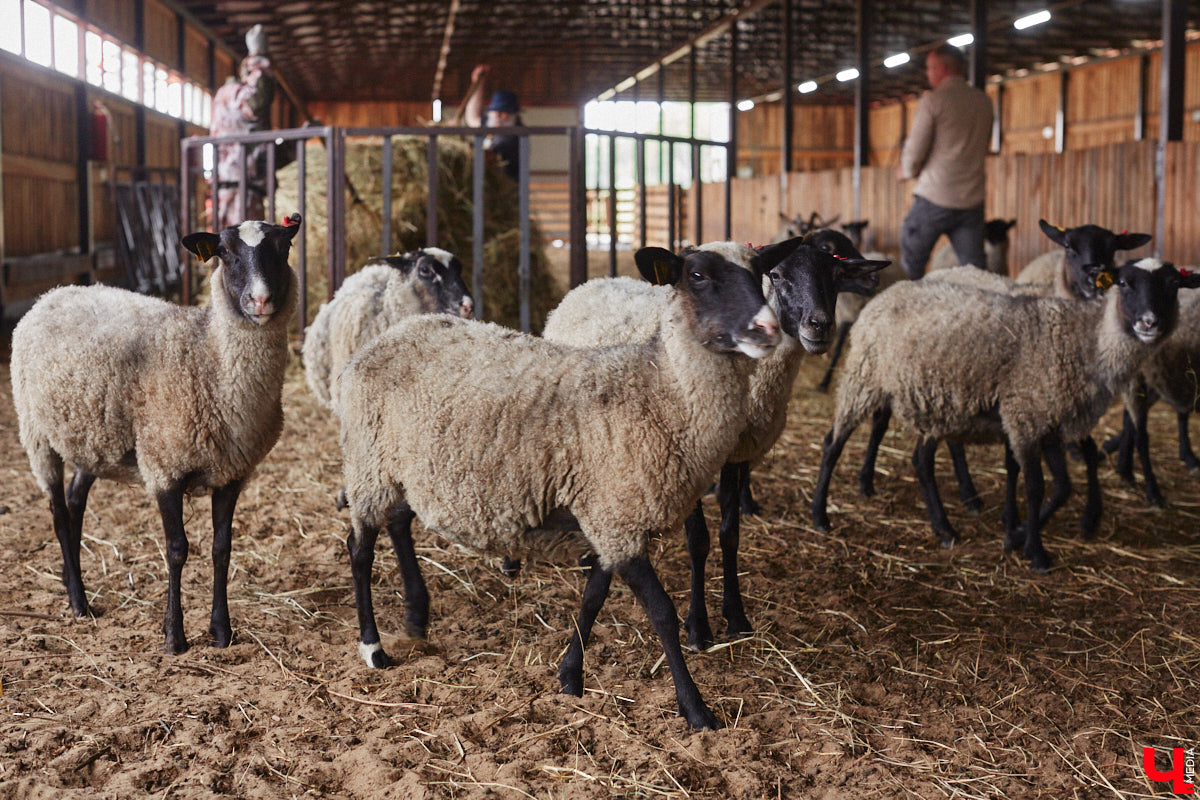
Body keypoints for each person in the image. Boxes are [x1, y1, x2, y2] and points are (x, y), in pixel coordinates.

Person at [898, 43, 994, 279]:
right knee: (975, 273)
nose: (928, 74)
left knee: (911, 265)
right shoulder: (984, 102)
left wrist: (906, 170)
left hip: (934, 197)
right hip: (971, 200)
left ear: (942, 68)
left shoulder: (933, 101)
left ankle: (910, 311)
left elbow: (915, 150)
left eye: (930, 68)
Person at [210, 24, 276, 229]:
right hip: (243, 193)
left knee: (225, 251)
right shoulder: (237, 95)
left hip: (226, 190)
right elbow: (258, 100)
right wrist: (258, 54)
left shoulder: (222, 95)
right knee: (247, 251)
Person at [463, 64, 523, 181]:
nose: (502, 116)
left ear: (513, 115)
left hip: (504, 183)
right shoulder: (492, 125)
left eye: (506, 112)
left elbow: (489, 154)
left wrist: (467, 148)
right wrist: (478, 84)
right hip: (488, 182)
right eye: (498, 112)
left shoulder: (514, 136)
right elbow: (472, 118)